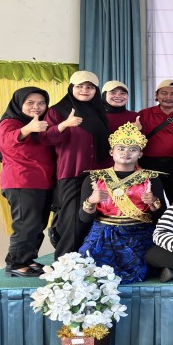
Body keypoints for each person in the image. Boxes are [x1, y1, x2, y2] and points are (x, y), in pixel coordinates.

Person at [78, 122, 166, 284]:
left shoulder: (151, 178)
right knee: (88, 269)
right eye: (121, 148)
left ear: (140, 154)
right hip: (103, 234)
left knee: (138, 269)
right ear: (111, 152)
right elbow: (84, 218)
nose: (126, 153)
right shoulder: (94, 178)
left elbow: (162, 215)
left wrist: (154, 202)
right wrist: (91, 201)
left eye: (133, 149)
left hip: (139, 233)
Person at [44, 70, 110, 258]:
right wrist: (64, 125)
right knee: (72, 218)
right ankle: (64, 261)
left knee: (93, 216)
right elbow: (45, 139)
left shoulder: (98, 110)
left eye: (90, 87)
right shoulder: (57, 111)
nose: (84, 90)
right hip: (72, 171)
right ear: (71, 87)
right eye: (79, 86)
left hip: (97, 174)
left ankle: (86, 259)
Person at [0, 87, 56, 277]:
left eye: (41, 103)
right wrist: (27, 129)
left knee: (37, 224)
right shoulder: (9, 123)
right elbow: (7, 143)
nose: (36, 107)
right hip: (21, 182)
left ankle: (27, 259)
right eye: (30, 103)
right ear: (19, 104)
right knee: (26, 224)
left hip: (42, 181)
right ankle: (16, 263)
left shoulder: (44, 124)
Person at [138, 80, 173, 204]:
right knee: (150, 203)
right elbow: (136, 141)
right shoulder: (144, 114)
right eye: (164, 93)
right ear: (156, 95)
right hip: (148, 165)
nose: (168, 97)